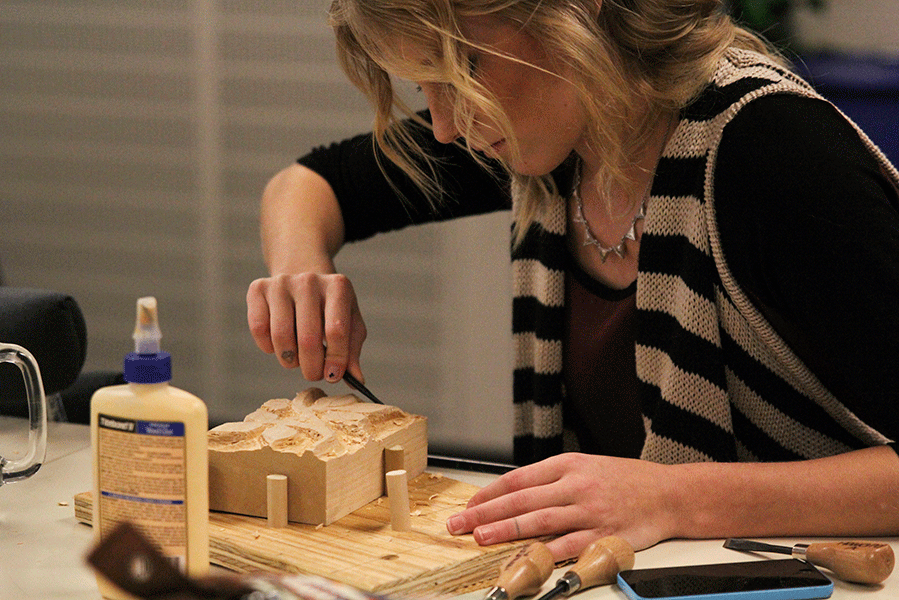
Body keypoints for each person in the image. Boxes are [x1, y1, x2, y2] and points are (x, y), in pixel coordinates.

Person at [247, 0, 899, 559]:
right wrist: (300, 271)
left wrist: (676, 499)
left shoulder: (777, 153)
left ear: (576, 14)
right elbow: (310, 185)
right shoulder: (559, 128)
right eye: (425, 87)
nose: (446, 124)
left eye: (463, 70)